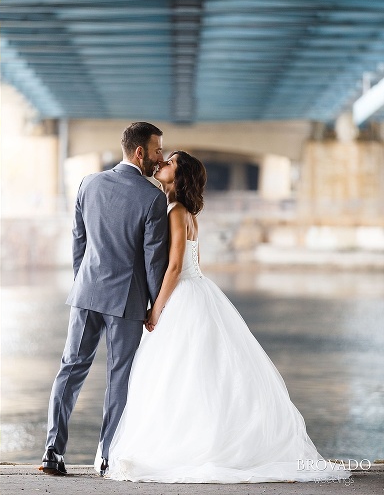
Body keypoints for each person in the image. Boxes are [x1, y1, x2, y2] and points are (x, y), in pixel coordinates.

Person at [101, 151, 350, 483]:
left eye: (170, 162)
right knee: (199, 375)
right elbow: (195, 261)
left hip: (181, 296)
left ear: (180, 175)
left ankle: (188, 446)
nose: (162, 164)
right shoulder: (187, 212)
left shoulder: (175, 211)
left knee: (177, 375)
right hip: (199, 290)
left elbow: (175, 267)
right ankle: (208, 441)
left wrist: (156, 309)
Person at [41, 122, 169, 477]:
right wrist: (156, 305)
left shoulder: (88, 183)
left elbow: (78, 242)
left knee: (70, 367)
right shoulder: (153, 198)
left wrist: (85, 280)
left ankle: (53, 450)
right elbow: (153, 260)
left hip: (86, 292)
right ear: (140, 152)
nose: (160, 157)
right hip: (127, 301)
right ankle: (107, 456)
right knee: (119, 377)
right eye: (157, 150)